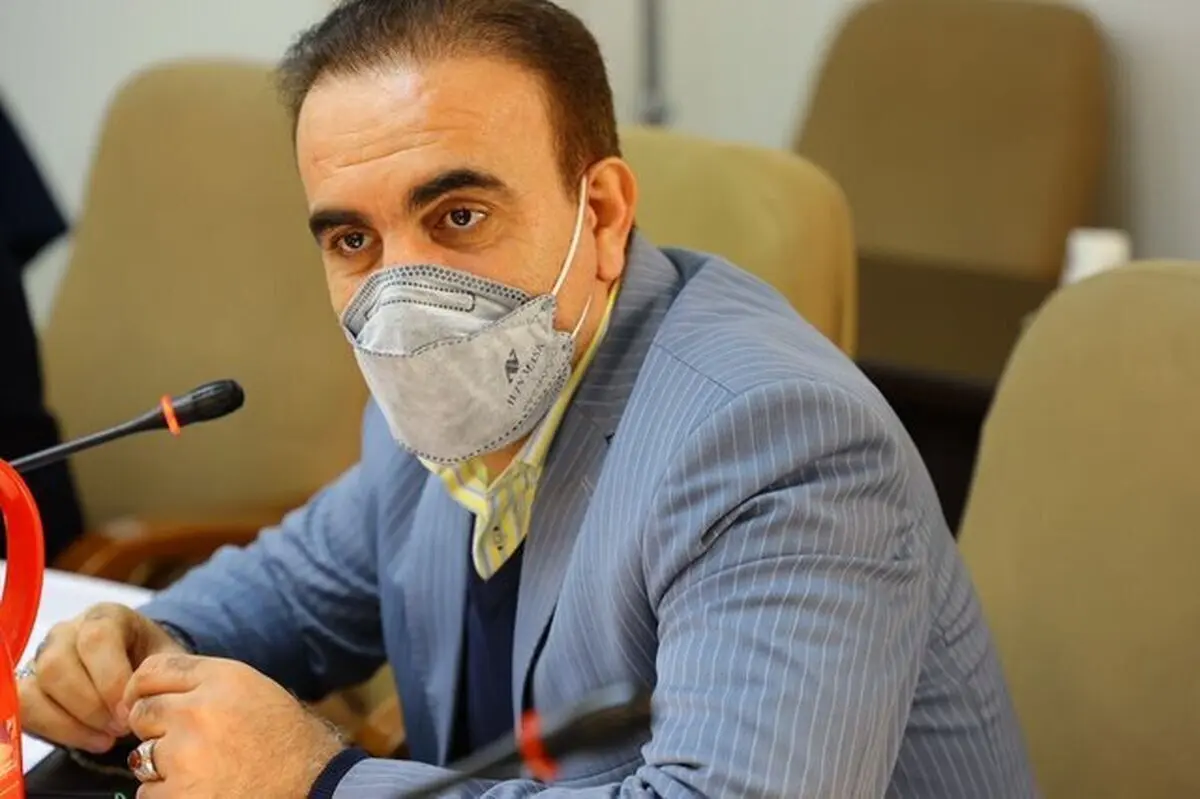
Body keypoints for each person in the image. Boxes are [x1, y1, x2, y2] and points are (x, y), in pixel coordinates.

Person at [17, 1, 1037, 796]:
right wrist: (144, 646)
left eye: (458, 216)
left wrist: (318, 782)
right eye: (353, 239)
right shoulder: (447, 400)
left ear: (604, 214)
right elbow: (296, 589)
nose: (401, 302)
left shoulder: (775, 441)